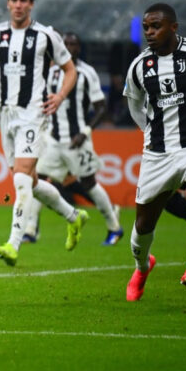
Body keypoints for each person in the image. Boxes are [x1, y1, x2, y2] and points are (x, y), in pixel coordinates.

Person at [0, 0, 88, 266]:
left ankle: (14, 243)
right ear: (8, 3)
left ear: (32, 4)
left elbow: (70, 69)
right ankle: (74, 217)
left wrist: (60, 95)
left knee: (21, 178)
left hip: (33, 114)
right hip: (7, 116)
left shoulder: (45, 36)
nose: (17, 5)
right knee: (31, 181)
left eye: (23, 0)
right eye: (13, 0)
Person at [123, 3, 186, 301]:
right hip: (157, 154)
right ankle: (142, 267)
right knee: (143, 225)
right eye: (146, 28)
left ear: (173, 27)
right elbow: (135, 106)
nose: (150, 33)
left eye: (156, 26)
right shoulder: (140, 66)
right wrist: (152, 136)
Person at [22, 33, 123, 245]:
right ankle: (31, 229)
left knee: (89, 184)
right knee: (35, 180)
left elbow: (101, 107)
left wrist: (85, 133)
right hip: (53, 140)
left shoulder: (87, 73)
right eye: (65, 43)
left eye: (73, 44)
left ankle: (114, 227)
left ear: (80, 48)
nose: (68, 47)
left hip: (77, 139)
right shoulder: (50, 72)